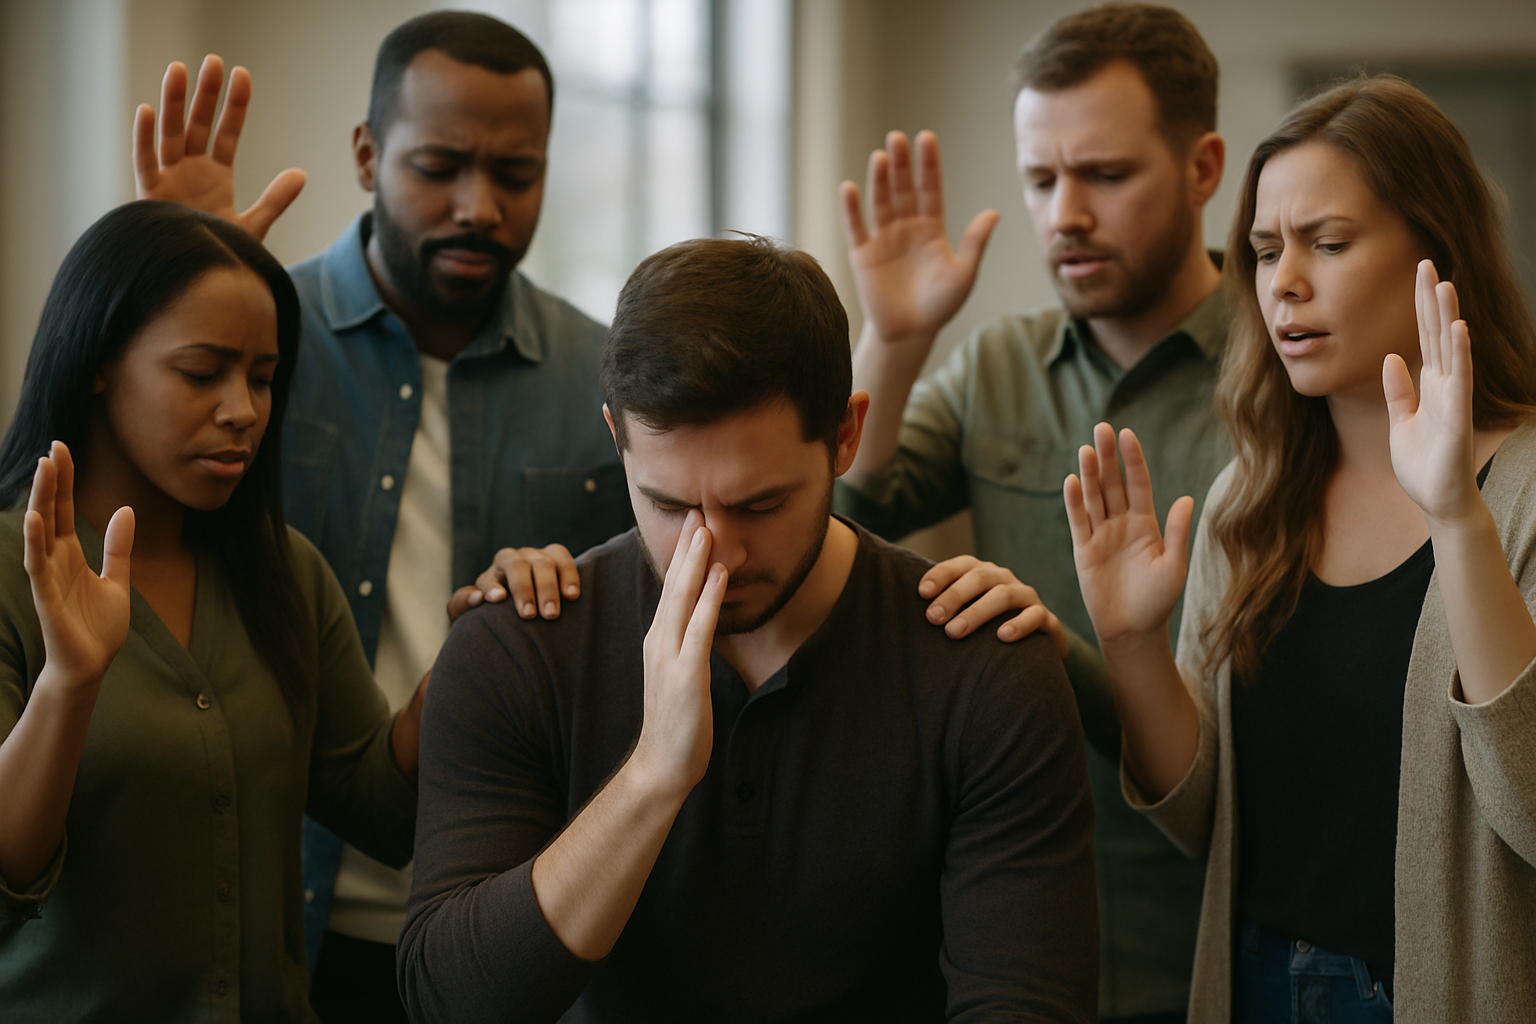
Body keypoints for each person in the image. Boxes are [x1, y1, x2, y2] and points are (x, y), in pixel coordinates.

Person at [398, 236, 1099, 1023]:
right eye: (668, 505)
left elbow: (1026, 1004)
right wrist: (651, 778)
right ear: (617, 437)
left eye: (759, 504)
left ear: (845, 435)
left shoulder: (985, 671)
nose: (715, 551)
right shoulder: (517, 646)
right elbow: (451, 1003)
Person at [132, 13, 636, 1016]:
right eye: (439, 167)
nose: (479, 207)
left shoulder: (605, 375)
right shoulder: (261, 352)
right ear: (366, 155)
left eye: (517, 174)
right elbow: (102, 516)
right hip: (277, 921)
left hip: (518, 921)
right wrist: (170, 296)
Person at [1067, 75, 1536, 1023]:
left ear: (1435, 254)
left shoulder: (1523, 494)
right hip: (1249, 986)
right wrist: (1131, 644)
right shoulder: (1250, 498)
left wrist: (1457, 518)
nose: (1283, 281)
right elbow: (1204, 821)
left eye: (1327, 243)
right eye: (1265, 250)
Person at [834, 5, 1225, 1019]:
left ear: (1203, 168)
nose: (1065, 216)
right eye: (1041, 180)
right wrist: (893, 340)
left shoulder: (1287, 378)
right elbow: (835, 511)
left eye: (1105, 174)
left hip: (1211, 937)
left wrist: (1067, 654)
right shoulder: (998, 366)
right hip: (1007, 933)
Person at [0, 200, 421, 1020]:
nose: (244, 411)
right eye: (202, 373)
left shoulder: (286, 571)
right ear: (97, 361)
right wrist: (70, 683)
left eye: (262, 378)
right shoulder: (10, 573)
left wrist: (480, 649)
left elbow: (379, 808)